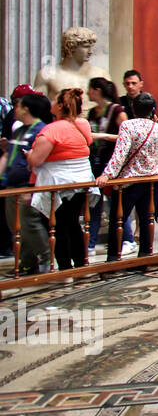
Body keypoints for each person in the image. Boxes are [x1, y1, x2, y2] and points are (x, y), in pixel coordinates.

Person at [26, 88, 96, 271]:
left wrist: (28, 155)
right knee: (73, 223)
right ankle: (81, 264)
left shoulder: (51, 129)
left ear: (58, 106)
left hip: (59, 182)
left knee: (57, 226)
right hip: (81, 181)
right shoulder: (83, 124)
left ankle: (65, 266)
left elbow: (36, 159)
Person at [95, 91, 158, 263]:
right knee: (146, 219)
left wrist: (107, 174)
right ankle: (145, 256)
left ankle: (113, 257)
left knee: (117, 219)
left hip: (129, 180)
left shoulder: (127, 126)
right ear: (152, 110)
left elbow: (120, 154)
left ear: (133, 108)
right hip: (152, 178)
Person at [1, 92, 52, 274]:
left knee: (29, 223)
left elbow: (39, 162)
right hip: (11, 185)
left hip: (27, 186)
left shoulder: (41, 131)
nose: (15, 108)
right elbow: (8, 155)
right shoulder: (19, 130)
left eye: (18, 105)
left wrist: (31, 188)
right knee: (14, 226)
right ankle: (28, 262)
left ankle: (47, 257)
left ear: (26, 109)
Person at [85, 77, 123, 251]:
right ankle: (90, 242)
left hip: (111, 159)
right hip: (95, 160)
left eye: (90, 89)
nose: (88, 93)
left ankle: (125, 238)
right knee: (94, 202)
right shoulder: (93, 113)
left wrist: (101, 136)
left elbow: (125, 137)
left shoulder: (117, 111)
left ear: (97, 90)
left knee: (116, 202)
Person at [33, 27, 111, 100]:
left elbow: (111, 106)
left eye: (92, 46)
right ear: (70, 47)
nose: (91, 51)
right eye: (86, 47)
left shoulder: (101, 74)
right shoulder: (48, 75)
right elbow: (38, 108)